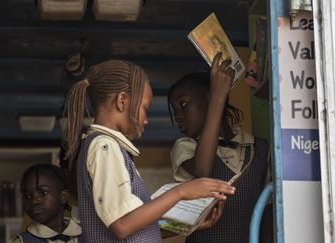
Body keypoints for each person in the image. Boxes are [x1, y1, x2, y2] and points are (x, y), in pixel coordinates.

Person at [61, 59, 236, 242]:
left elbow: (135, 228)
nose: (146, 120)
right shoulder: (105, 147)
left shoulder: (108, 148)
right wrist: (181, 192)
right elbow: (122, 226)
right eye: (144, 108)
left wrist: (190, 226)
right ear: (122, 101)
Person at [167, 53, 270, 243]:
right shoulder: (185, 147)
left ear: (207, 97)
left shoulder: (261, 148)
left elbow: (267, 212)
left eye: (183, 104)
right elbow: (202, 170)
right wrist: (217, 99)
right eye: (175, 111)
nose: (178, 116)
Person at [13, 163, 82, 243]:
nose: (34, 201)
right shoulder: (22, 241)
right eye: (28, 196)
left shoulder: (86, 235)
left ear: (63, 197)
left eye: (43, 193)